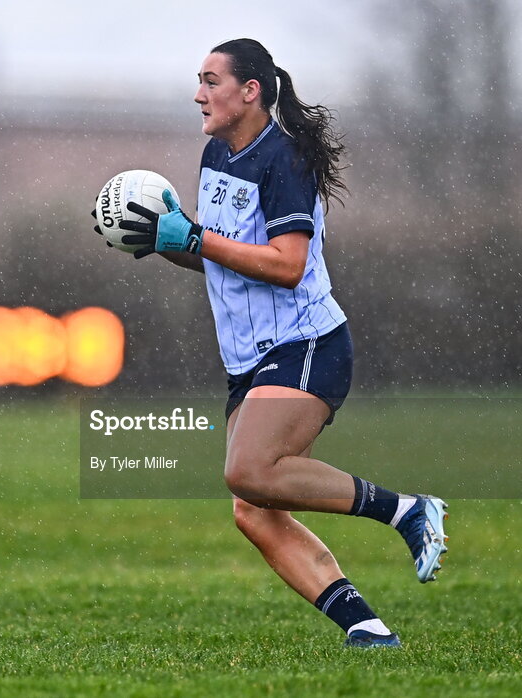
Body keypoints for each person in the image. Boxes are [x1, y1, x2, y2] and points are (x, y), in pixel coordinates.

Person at [102, 38, 448, 648]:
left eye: (211, 81)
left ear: (250, 91)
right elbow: (224, 260)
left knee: (248, 470)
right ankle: (368, 630)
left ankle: (406, 510)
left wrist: (198, 239)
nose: (198, 93)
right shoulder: (215, 154)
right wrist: (168, 242)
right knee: (253, 507)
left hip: (306, 344)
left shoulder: (284, 161)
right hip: (249, 362)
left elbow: (288, 265)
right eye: (199, 80)